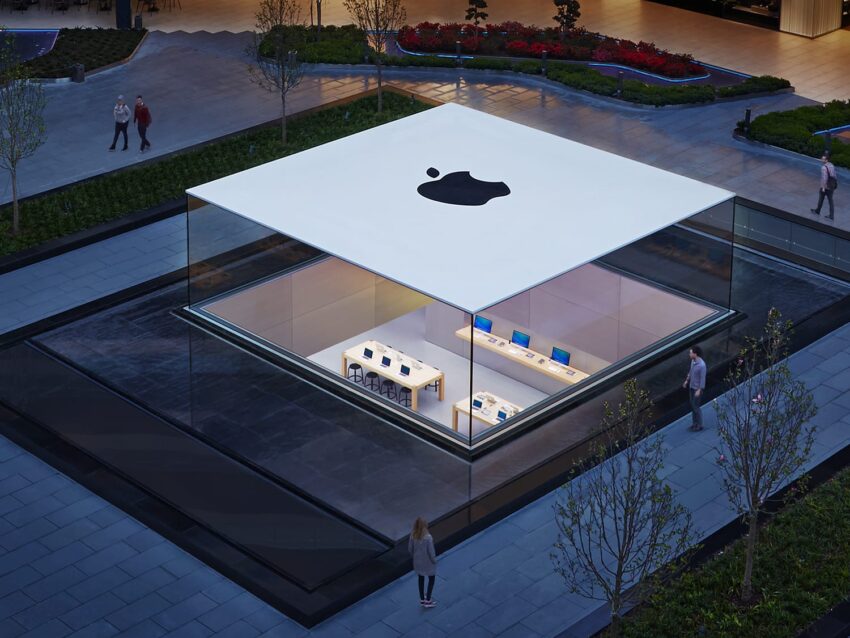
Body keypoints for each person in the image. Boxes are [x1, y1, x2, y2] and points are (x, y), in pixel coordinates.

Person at [408, 517, 437, 608]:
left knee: (421, 578)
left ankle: (422, 599)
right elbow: (431, 551)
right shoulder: (428, 537)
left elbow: (410, 549)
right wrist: (434, 560)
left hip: (417, 561)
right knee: (431, 578)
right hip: (427, 561)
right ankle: (428, 600)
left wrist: (414, 557)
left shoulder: (413, 535)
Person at [682, 345, 706, 432]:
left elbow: (702, 379)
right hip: (691, 387)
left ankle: (699, 425)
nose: (689, 354)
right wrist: (686, 381)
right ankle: (694, 423)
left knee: (696, 406)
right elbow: (690, 372)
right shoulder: (693, 362)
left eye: (691, 353)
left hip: (697, 389)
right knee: (692, 406)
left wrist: (699, 390)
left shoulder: (702, 365)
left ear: (695, 354)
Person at [811, 153, 838, 219]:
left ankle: (817, 211)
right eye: (822, 158)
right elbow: (834, 175)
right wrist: (834, 184)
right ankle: (831, 215)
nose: (821, 160)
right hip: (831, 186)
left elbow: (824, 178)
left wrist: (823, 187)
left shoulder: (823, 167)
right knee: (830, 201)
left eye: (823, 159)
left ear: (826, 160)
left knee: (821, 199)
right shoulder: (831, 165)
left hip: (825, 187)